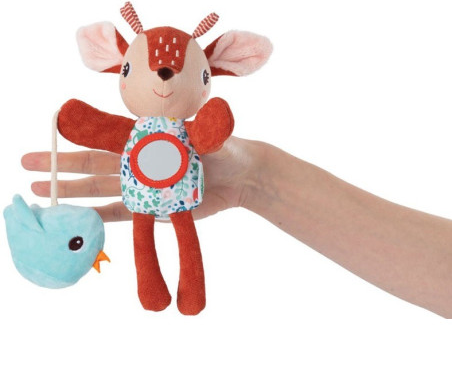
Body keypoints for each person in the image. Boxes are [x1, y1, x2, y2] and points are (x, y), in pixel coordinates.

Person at [21, 136, 452, 318]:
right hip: (165, 191)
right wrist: (253, 178)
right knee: (145, 234)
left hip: (181, 193)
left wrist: (253, 178)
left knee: (173, 234)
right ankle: (155, 291)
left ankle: (182, 292)